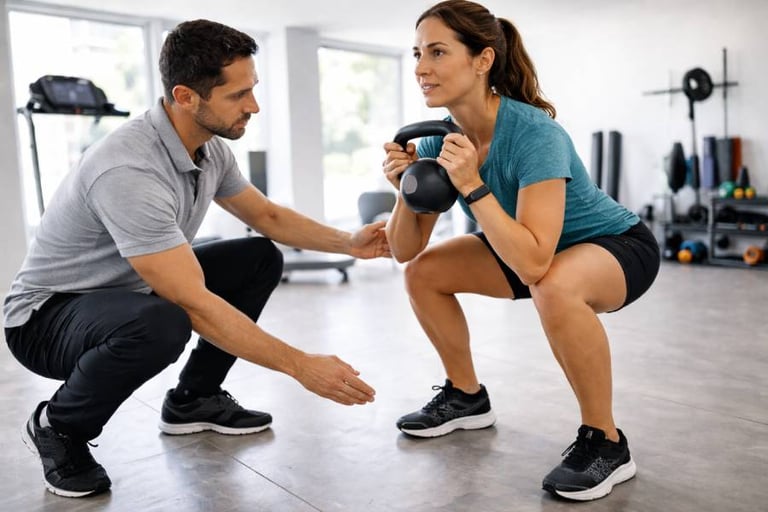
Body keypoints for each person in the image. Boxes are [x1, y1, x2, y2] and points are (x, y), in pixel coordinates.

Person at [3, 19, 388, 498]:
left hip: (126, 291)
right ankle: (59, 427)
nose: (254, 106)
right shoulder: (129, 168)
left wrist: (350, 243)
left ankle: (194, 399)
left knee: (257, 256)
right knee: (164, 321)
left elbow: (265, 215)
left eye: (253, 89)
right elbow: (194, 303)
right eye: (238, 95)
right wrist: (299, 365)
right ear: (186, 97)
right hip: (47, 317)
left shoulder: (209, 147)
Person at [382, 0, 659, 502]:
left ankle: (607, 443)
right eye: (418, 53)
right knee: (424, 272)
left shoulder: (535, 134)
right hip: (525, 245)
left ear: (482, 60)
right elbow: (404, 249)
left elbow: (534, 264)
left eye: (438, 52)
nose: (421, 68)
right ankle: (466, 397)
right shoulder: (436, 143)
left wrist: (471, 184)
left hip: (612, 245)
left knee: (553, 283)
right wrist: (403, 187)